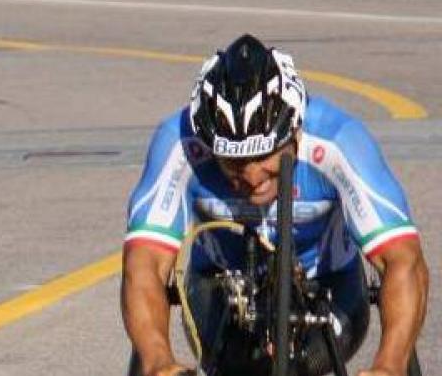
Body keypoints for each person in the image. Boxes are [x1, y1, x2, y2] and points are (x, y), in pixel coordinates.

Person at [122, 34, 428, 376]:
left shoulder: (339, 139)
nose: (252, 177)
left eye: (264, 157)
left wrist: (390, 365)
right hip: (219, 292)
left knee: (300, 368)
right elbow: (144, 263)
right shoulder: (179, 144)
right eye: (235, 163)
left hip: (331, 292)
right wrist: (157, 361)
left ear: (295, 133)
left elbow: (403, 259)